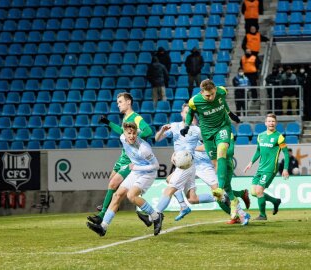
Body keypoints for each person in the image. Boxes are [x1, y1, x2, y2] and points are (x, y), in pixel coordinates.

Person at [137, 104, 250, 225]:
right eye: (185, 112)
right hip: (187, 166)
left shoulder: (197, 130)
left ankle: (242, 213)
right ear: (182, 113)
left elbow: (210, 145)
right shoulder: (174, 127)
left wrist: (192, 150)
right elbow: (157, 138)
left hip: (202, 164)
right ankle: (184, 206)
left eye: (189, 113)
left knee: (218, 189)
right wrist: (162, 131)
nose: (187, 115)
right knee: (187, 194)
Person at [180, 79, 244, 219]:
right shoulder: (194, 101)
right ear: (201, 92)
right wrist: (186, 126)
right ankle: (233, 199)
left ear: (215, 90)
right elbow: (190, 113)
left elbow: (222, 102)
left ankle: (220, 189)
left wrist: (230, 114)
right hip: (207, 133)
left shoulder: (221, 91)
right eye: (207, 95)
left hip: (223, 127)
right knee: (216, 164)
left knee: (222, 150)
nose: (211, 97)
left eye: (212, 94)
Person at [87, 92, 153, 225]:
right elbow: (122, 131)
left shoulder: (136, 118)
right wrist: (108, 123)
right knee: (111, 181)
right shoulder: (126, 118)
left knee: (113, 184)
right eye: (118, 103)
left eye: (120, 102)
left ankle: (103, 214)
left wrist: (135, 138)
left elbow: (149, 131)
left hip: (130, 159)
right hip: (122, 157)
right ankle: (112, 206)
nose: (118, 105)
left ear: (128, 102)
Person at [86, 122, 162, 237]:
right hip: (136, 171)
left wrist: (136, 167)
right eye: (129, 133)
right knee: (117, 195)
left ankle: (156, 217)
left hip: (148, 173)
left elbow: (156, 166)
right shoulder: (122, 138)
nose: (131, 136)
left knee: (131, 196)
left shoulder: (144, 148)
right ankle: (103, 227)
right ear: (124, 134)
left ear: (137, 133)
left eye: (134, 133)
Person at [244, 114, 289, 220]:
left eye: (273, 121)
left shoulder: (279, 137)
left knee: (259, 191)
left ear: (276, 123)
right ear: (265, 123)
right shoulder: (260, 136)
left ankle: (263, 215)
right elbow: (258, 151)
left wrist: (285, 168)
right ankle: (275, 201)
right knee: (253, 192)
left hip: (270, 168)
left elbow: (286, 154)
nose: (271, 123)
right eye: (269, 121)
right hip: (260, 168)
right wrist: (251, 162)